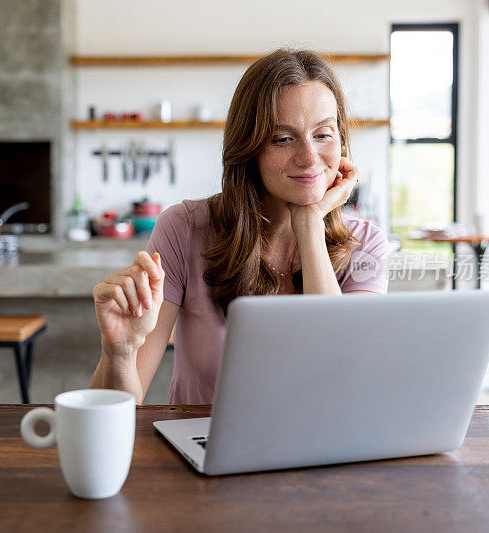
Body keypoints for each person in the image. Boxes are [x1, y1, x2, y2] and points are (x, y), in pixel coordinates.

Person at [90, 49, 389, 404]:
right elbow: (117, 411)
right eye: (283, 138)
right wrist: (120, 352)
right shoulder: (184, 229)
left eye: (323, 135)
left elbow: (340, 378)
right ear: (249, 148)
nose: (309, 157)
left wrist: (309, 223)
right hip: (203, 447)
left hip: (319, 451)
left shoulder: (366, 243)